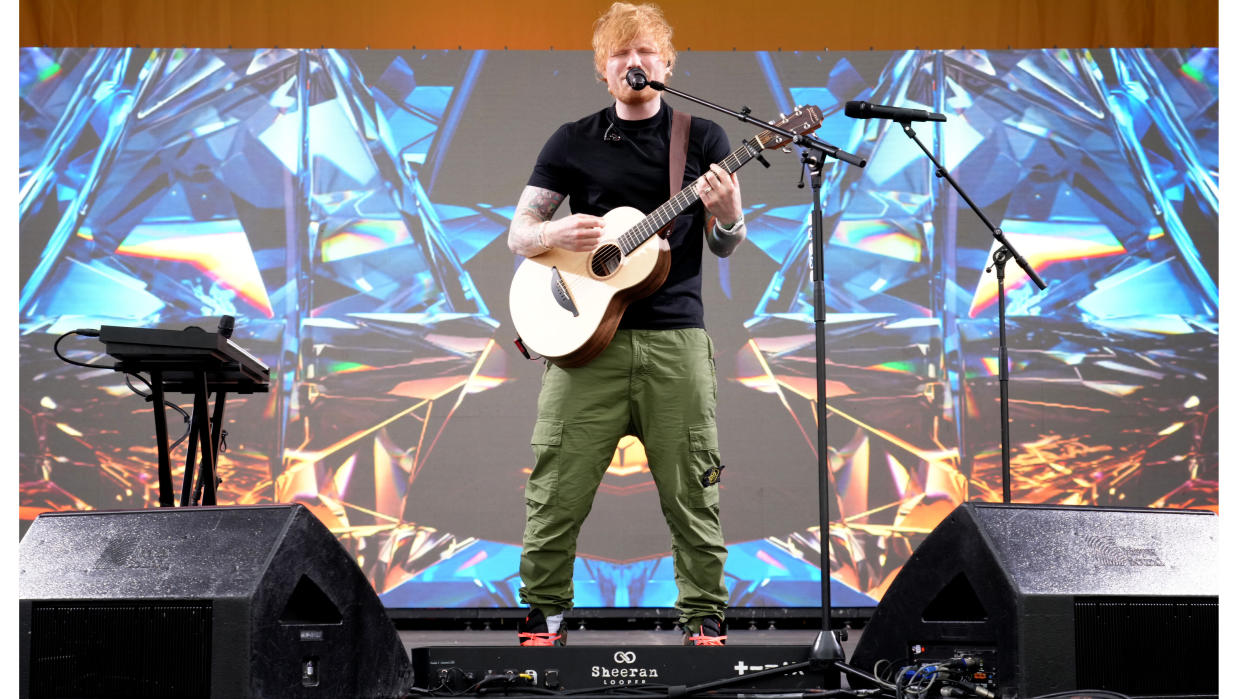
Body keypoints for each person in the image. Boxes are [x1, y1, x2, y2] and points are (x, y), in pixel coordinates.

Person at [507, 1, 746, 647]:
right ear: (602, 71)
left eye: (644, 52)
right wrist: (556, 229)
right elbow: (520, 234)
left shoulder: (702, 140)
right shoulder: (570, 139)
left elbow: (724, 246)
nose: (632, 62)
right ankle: (544, 616)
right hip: (585, 346)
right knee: (555, 484)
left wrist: (729, 215)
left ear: (666, 65)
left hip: (676, 342)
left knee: (694, 486)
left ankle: (704, 620)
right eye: (619, 54)